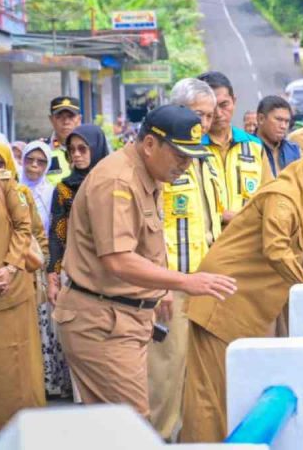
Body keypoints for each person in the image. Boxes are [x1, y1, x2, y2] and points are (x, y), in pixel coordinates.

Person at [52, 106, 236, 418]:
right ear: (150, 145)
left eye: (191, 156)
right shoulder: (118, 181)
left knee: (113, 427)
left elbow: (148, 241)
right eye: (180, 155)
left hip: (122, 318)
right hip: (102, 321)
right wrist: (184, 281)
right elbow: (118, 260)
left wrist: (161, 288)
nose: (186, 165)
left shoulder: (149, 173)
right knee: (132, 424)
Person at [181, 147, 303, 442]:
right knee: (209, 394)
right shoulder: (284, 197)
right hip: (222, 294)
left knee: (231, 391)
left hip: (244, 300)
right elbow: (277, 250)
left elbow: (300, 262)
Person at [149, 79, 225, 441]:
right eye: (199, 114)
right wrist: (161, 281)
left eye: (209, 116)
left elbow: (216, 218)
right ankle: (156, 440)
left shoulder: (205, 160)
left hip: (204, 283)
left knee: (198, 374)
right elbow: (148, 228)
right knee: (165, 374)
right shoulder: (161, 160)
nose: (206, 123)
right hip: (172, 284)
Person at [0, 149, 46, 432]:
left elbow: (29, 230)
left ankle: (24, 432)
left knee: (18, 367)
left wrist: (10, 267)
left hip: (11, 291)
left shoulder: (10, 187)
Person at [47, 125, 110, 306]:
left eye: (83, 148)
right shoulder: (64, 189)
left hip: (114, 269)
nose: (76, 154)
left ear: (96, 148)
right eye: (72, 149)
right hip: (78, 271)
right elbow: (57, 236)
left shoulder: (113, 184)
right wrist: (53, 279)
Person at [197, 72, 268, 224]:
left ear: (234, 101)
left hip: (246, 240)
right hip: (207, 243)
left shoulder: (254, 146)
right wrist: (221, 216)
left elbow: (269, 196)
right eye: (211, 107)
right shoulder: (188, 150)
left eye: (224, 105)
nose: (218, 114)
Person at [256, 95, 301, 179]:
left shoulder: (293, 150)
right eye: (279, 120)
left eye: (287, 121)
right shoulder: (245, 148)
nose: (283, 126)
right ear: (261, 119)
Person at [43, 97, 82, 186]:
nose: (66, 122)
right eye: (59, 117)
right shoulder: (43, 150)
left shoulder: (90, 149)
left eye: (71, 116)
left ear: (79, 119)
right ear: (51, 119)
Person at [21, 141, 54, 236]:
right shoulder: (12, 187)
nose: (34, 165)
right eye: (30, 159)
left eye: (41, 162)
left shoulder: (51, 193)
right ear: (23, 160)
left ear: (48, 165)